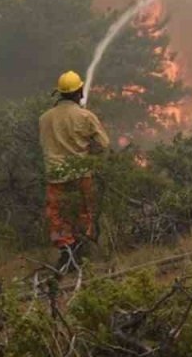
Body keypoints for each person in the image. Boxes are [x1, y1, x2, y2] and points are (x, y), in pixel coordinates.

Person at [39, 71, 110, 271]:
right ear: (79, 92)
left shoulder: (45, 118)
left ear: (59, 93)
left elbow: (44, 145)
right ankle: (80, 249)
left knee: (57, 215)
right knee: (83, 212)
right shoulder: (86, 116)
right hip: (81, 175)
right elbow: (104, 144)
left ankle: (66, 252)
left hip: (55, 176)